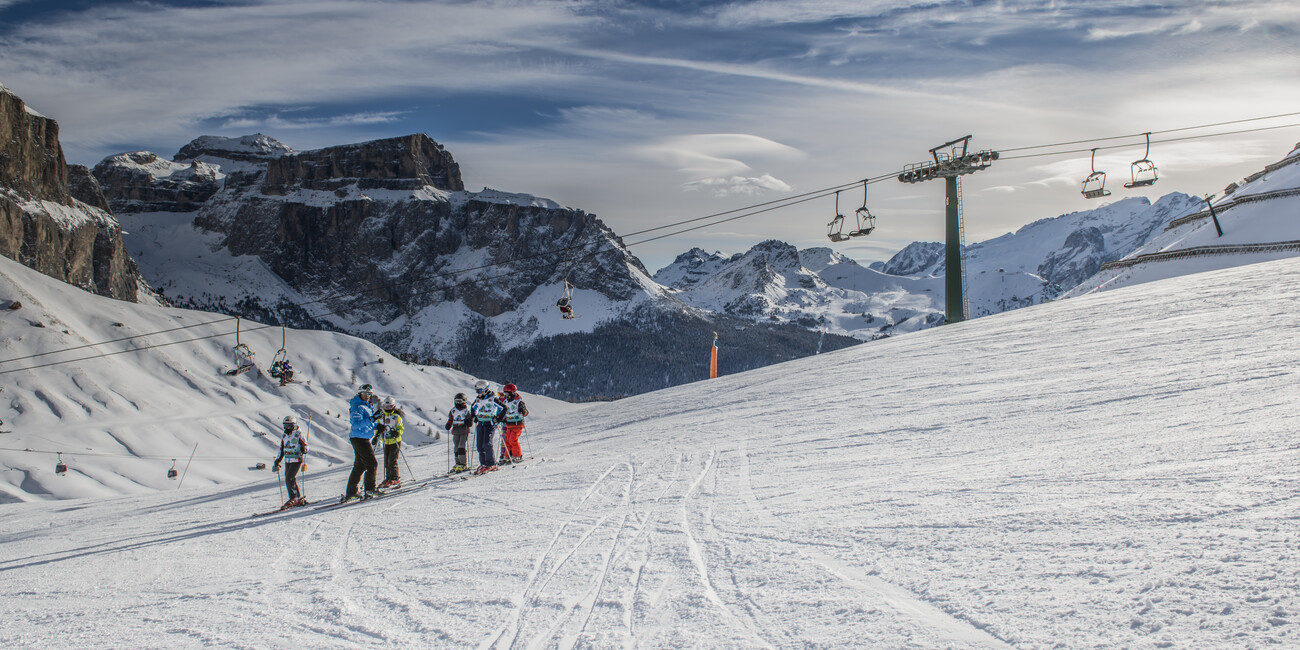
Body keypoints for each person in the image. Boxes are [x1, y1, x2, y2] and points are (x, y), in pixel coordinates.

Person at [343, 383, 380, 501]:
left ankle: (351, 492)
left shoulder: (365, 406)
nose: (367, 396)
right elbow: (356, 424)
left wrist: (377, 426)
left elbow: (366, 424)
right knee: (372, 464)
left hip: (361, 437)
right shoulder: (357, 406)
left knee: (360, 466)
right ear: (360, 393)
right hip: (359, 439)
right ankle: (370, 490)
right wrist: (373, 419)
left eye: (369, 393)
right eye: (365, 393)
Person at [272, 415, 308, 508]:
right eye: (285, 426)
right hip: (288, 459)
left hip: (296, 459)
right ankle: (297, 497)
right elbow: (282, 448)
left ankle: (293, 498)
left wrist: (304, 449)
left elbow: (306, 445)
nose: (287, 428)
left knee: (290, 477)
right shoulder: (284, 436)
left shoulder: (299, 434)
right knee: (289, 478)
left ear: (294, 425)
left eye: (289, 426)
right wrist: (278, 460)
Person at [470, 379, 503, 474]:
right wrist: (474, 417)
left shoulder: (492, 399)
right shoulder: (478, 400)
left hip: (490, 424)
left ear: (485, 390)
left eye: (479, 391)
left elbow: (503, 408)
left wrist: (498, 418)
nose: (478, 393)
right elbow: (473, 408)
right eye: (477, 391)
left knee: (487, 443)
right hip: (481, 423)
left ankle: (491, 463)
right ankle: (483, 464)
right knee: (480, 445)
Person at [376, 396, 405, 488]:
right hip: (386, 442)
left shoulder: (396, 417)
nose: (388, 409)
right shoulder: (381, 417)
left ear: (394, 407)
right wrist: (377, 436)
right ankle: (388, 478)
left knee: (392, 460)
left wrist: (397, 432)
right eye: (386, 407)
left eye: (390, 407)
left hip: (395, 441)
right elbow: (378, 427)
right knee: (386, 460)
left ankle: (394, 478)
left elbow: (401, 428)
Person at [499, 383, 529, 464]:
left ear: (512, 393)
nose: (505, 395)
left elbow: (526, 413)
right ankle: (507, 456)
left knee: (513, 439)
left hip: (517, 423)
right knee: (507, 440)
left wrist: (523, 410)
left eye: (507, 394)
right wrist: (503, 417)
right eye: (505, 394)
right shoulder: (505, 401)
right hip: (509, 424)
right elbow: (504, 411)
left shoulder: (519, 401)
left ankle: (517, 455)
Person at [444, 393, 472, 473]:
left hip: (464, 430)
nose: (458, 403)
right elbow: (450, 419)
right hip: (456, 430)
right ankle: (457, 463)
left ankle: (463, 463)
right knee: (456, 447)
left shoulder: (466, 411)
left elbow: (470, 420)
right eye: (456, 401)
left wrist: (468, 422)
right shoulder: (453, 410)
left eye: (459, 401)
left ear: (464, 401)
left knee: (461, 446)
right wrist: (448, 425)